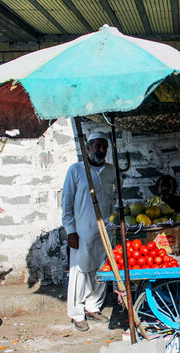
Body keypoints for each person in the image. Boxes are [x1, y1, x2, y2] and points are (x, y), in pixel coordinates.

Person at [62, 132, 117, 331]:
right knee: (80, 272)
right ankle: (77, 314)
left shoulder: (111, 170)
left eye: (104, 146)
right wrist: (70, 230)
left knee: (103, 269)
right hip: (82, 232)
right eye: (96, 146)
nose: (100, 150)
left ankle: (93, 307)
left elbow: (114, 200)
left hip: (106, 230)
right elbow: (66, 202)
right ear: (87, 148)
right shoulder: (76, 170)